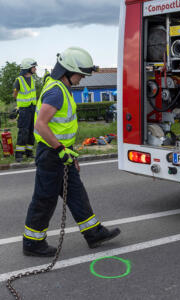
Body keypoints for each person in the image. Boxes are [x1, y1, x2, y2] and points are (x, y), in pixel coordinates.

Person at [23, 47, 120, 257]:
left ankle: (93, 233)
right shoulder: (56, 92)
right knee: (44, 198)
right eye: (80, 74)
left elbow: (61, 129)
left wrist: (69, 154)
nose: (82, 79)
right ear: (67, 71)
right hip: (51, 154)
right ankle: (32, 243)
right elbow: (40, 125)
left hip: (62, 153)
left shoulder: (59, 88)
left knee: (76, 193)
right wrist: (60, 150)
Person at [13, 58, 37, 162]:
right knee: (23, 132)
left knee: (31, 131)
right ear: (28, 68)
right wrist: (19, 106)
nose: (35, 69)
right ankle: (19, 155)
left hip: (32, 108)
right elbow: (15, 94)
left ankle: (29, 152)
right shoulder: (19, 80)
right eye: (33, 67)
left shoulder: (32, 79)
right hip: (24, 110)